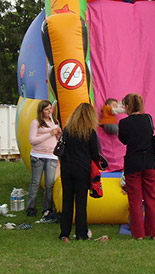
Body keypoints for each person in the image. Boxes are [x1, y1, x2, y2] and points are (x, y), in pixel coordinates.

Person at [118, 93, 155, 240]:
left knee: (135, 200)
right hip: (150, 161)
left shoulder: (124, 123)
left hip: (133, 162)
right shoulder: (148, 118)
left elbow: (123, 140)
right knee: (152, 198)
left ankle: (138, 234)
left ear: (128, 106)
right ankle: (154, 232)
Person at [58, 103, 101, 242]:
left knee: (67, 201)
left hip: (66, 169)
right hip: (82, 170)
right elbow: (95, 154)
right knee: (81, 203)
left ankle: (64, 233)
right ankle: (81, 233)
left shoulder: (67, 130)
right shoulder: (90, 133)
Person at [27, 100, 62, 220]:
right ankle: (31, 207)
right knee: (35, 182)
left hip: (51, 156)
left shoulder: (54, 122)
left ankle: (47, 208)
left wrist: (58, 134)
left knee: (49, 184)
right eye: (46, 109)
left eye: (50, 109)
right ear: (41, 110)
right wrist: (50, 133)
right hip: (38, 156)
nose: (49, 111)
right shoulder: (36, 123)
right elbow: (32, 140)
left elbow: (57, 139)